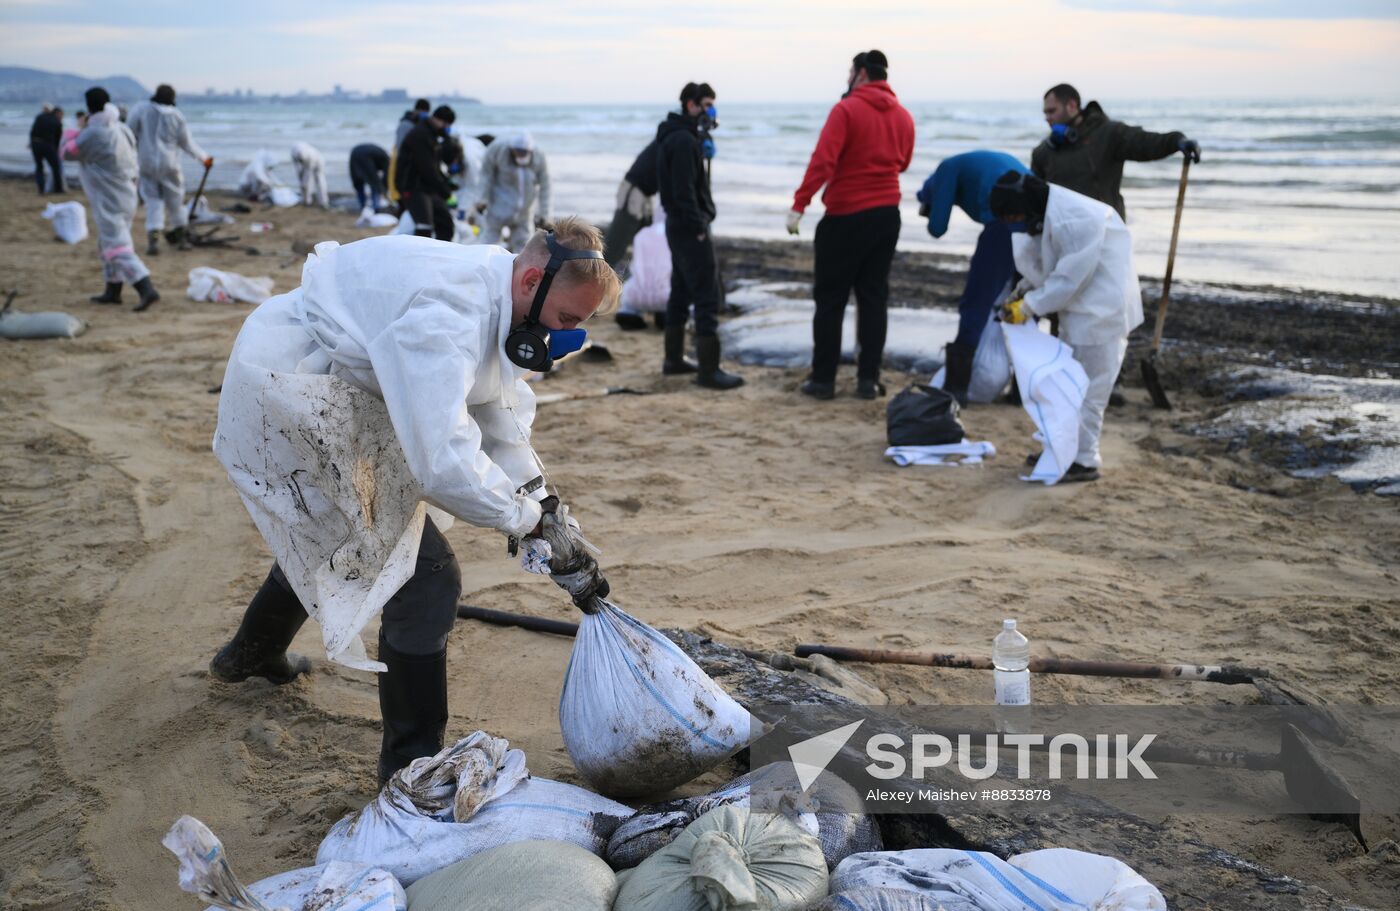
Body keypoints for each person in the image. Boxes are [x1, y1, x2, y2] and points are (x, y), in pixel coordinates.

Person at [208, 217, 621, 784]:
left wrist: (545, 506)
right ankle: (408, 769)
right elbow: (442, 459)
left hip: (352, 388)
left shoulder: (505, 296)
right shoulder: (449, 315)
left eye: (582, 322)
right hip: (297, 386)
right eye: (568, 318)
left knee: (349, 536)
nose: (570, 333)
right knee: (426, 578)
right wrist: (520, 519)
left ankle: (248, 658)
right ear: (530, 280)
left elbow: (492, 411)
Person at [989, 172, 1143, 482]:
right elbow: (1044, 262)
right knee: (1064, 387)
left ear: (1025, 206)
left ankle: (1083, 460)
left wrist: (1029, 307)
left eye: (1014, 216)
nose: (1015, 223)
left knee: (1089, 391)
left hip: (1103, 313)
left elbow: (1069, 278)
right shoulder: (1046, 211)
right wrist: (1022, 292)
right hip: (1079, 311)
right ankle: (1059, 447)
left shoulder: (1077, 219)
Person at [786, 50, 914, 400]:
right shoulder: (904, 116)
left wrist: (800, 204)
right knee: (874, 298)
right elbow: (902, 162)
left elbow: (823, 161)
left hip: (845, 216)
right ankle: (868, 381)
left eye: (849, 71)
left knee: (831, 300)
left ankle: (824, 381)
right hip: (888, 214)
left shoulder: (845, 109)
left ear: (860, 73)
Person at [915, 151, 1029, 405]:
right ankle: (1022, 392)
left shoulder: (946, 168)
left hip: (1006, 221)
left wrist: (933, 210)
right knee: (1024, 302)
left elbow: (937, 227)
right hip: (1033, 220)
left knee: (976, 300)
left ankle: (957, 389)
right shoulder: (977, 161)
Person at [655, 82, 743, 390]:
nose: (710, 110)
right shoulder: (681, 140)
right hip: (688, 226)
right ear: (691, 105)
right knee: (706, 294)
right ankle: (709, 370)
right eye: (706, 104)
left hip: (678, 225)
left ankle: (674, 359)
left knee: (680, 289)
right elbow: (683, 191)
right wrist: (698, 227)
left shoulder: (681, 135)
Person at [1033, 84, 1201, 222]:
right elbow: (1035, 197)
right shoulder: (1043, 152)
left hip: (1107, 230)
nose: (1047, 118)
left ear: (1071, 105)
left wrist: (1177, 141)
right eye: (1045, 113)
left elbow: (1145, 143)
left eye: (1051, 111)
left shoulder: (1109, 134)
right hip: (1063, 235)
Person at [62, 87, 160, 311]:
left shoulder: (92, 132)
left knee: (116, 245)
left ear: (88, 106)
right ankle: (113, 290)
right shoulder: (121, 128)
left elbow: (66, 153)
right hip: (127, 194)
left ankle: (145, 287)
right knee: (107, 243)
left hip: (107, 197)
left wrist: (74, 130)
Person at [128, 84, 212, 254]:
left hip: (147, 163)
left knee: (153, 202)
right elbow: (187, 143)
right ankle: (181, 239)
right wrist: (203, 157)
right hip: (170, 165)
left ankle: (153, 242)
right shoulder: (177, 116)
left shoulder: (141, 110)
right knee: (175, 202)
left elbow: (129, 134)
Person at [475, 133, 550, 253]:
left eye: (524, 152)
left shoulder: (539, 157)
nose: (521, 154)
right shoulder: (497, 149)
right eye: (518, 151)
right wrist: (481, 199)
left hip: (524, 212)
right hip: (498, 207)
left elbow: (545, 185)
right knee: (488, 244)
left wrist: (544, 213)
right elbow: (486, 176)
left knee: (524, 248)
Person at [396, 105, 458, 240]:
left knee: (446, 223)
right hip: (412, 187)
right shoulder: (420, 135)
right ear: (437, 119)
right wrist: (444, 190)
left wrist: (446, 183)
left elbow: (436, 165)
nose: (446, 128)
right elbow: (427, 168)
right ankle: (421, 258)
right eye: (445, 124)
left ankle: (443, 255)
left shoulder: (432, 135)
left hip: (427, 187)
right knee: (424, 226)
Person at [387, 98, 431, 206]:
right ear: (416, 110)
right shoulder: (405, 124)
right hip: (402, 161)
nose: (425, 115)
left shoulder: (419, 124)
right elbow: (401, 146)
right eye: (423, 112)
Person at [29, 104, 65, 195]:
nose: (62, 117)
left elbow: (32, 131)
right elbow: (57, 139)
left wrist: (31, 143)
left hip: (35, 143)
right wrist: (56, 151)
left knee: (39, 167)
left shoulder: (40, 117)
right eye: (62, 115)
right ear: (58, 113)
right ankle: (58, 189)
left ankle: (41, 190)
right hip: (48, 145)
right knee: (56, 167)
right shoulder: (57, 122)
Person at [349, 143, 390, 212]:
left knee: (358, 181)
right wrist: (384, 190)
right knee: (374, 183)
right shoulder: (387, 160)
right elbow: (386, 178)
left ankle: (363, 207)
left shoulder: (383, 157)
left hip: (355, 153)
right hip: (365, 156)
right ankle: (376, 207)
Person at [291, 141, 329, 208]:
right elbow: (298, 170)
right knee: (304, 182)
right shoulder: (294, 153)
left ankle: (323, 202)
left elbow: (308, 174)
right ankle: (307, 201)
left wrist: (304, 183)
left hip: (318, 162)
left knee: (319, 180)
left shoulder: (311, 156)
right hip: (307, 163)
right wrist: (301, 181)